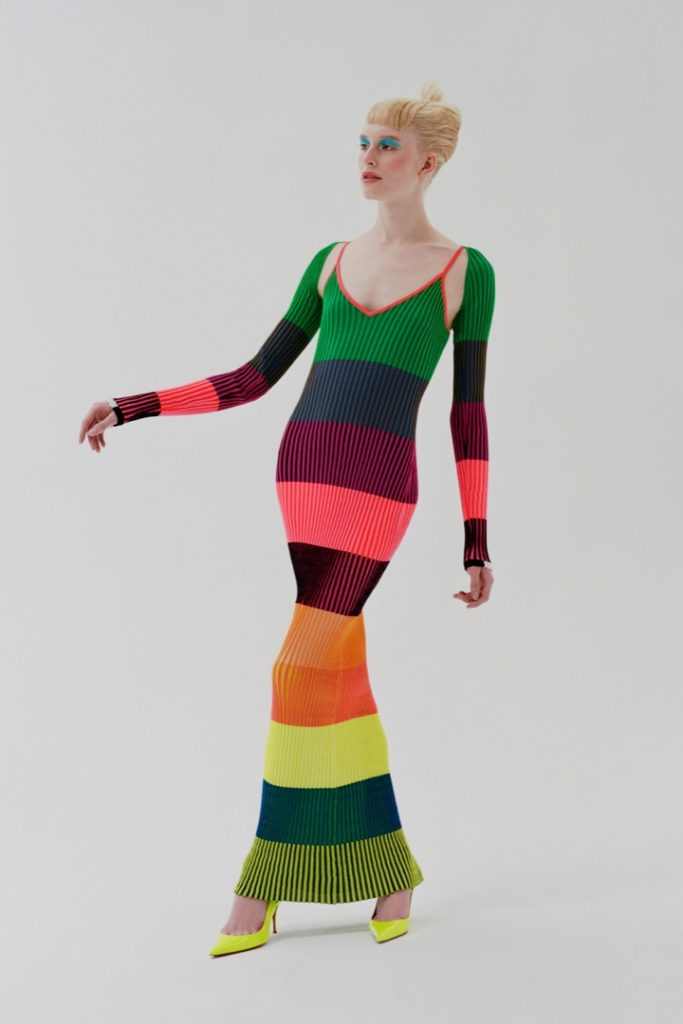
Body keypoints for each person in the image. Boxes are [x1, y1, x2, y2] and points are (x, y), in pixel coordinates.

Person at [78, 80, 496, 954]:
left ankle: (261, 885)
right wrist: (132, 405)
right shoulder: (328, 261)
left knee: (295, 670)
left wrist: (475, 539)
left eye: (387, 146)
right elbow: (251, 379)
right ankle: (387, 872)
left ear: (428, 164)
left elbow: (467, 413)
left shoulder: (465, 271)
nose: (367, 158)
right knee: (334, 672)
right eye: (363, 141)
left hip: (378, 489)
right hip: (304, 477)